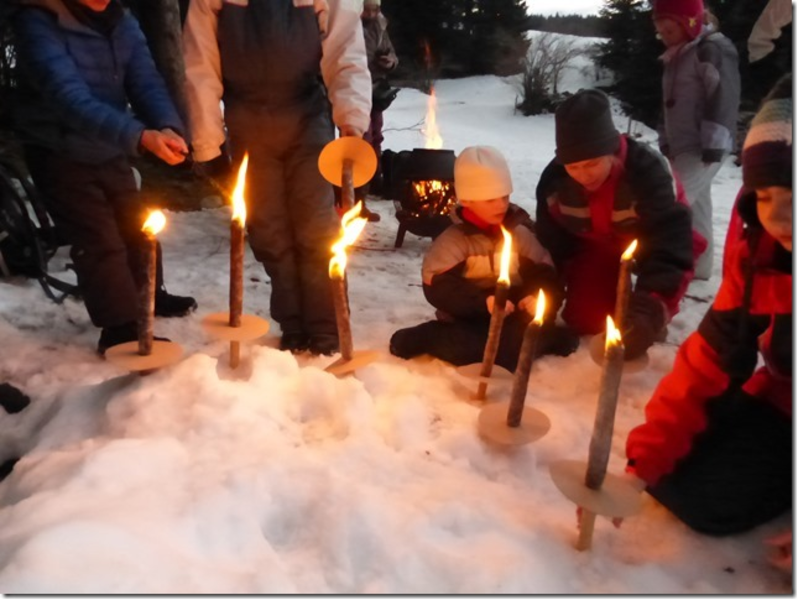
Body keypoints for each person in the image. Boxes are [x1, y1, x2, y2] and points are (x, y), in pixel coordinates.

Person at [625, 75, 792, 565]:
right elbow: (711, 357)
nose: (778, 218)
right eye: (765, 195)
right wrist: (645, 460)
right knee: (673, 483)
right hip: (784, 402)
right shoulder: (760, 246)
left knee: (713, 506)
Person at [183, 0, 371, 357]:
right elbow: (200, 66)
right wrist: (209, 145)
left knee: (316, 227)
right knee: (269, 231)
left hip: (307, 120)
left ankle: (326, 325)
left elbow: (346, 51)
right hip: (247, 125)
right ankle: (294, 324)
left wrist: (351, 119)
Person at [11, 0, 197, 355]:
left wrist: (168, 126)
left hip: (108, 144)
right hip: (58, 147)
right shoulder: (39, 20)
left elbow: (145, 81)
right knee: (99, 238)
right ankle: (120, 327)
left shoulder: (120, 19)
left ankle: (147, 296)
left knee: (136, 226)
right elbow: (67, 98)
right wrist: (139, 137)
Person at [535, 89, 705, 360]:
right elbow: (551, 244)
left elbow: (671, 248)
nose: (582, 175)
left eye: (591, 163)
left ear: (611, 150)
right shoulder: (554, 181)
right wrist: (544, 291)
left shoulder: (648, 172)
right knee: (588, 320)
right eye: (573, 167)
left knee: (637, 326)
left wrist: (650, 310)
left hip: (652, 243)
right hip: (596, 244)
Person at [389, 146, 579, 371]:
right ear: (467, 200)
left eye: (504, 197)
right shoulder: (454, 242)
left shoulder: (521, 236)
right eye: (490, 200)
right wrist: (483, 302)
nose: (500, 205)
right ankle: (428, 337)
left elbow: (546, 273)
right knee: (471, 347)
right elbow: (439, 287)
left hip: (513, 315)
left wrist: (537, 297)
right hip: (469, 318)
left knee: (516, 346)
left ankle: (542, 339)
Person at [652, 0, 740, 280]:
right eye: (660, 32)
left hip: (705, 146)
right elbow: (668, 104)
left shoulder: (711, 49)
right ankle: (700, 269)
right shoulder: (676, 55)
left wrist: (715, 141)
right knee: (697, 204)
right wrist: (665, 137)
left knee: (672, 205)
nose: (664, 38)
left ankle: (661, 271)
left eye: (669, 30)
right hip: (683, 145)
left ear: (689, 23)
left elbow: (723, 96)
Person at [361, 0, 398, 202]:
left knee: (376, 136)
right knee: (361, 138)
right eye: (367, 9)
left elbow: (391, 52)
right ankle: (360, 187)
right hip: (356, 88)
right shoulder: (348, 26)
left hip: (376, 89)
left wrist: (390, 62)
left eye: (374, 9)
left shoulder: (380, 26)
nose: (371, 13)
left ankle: (376, 179)